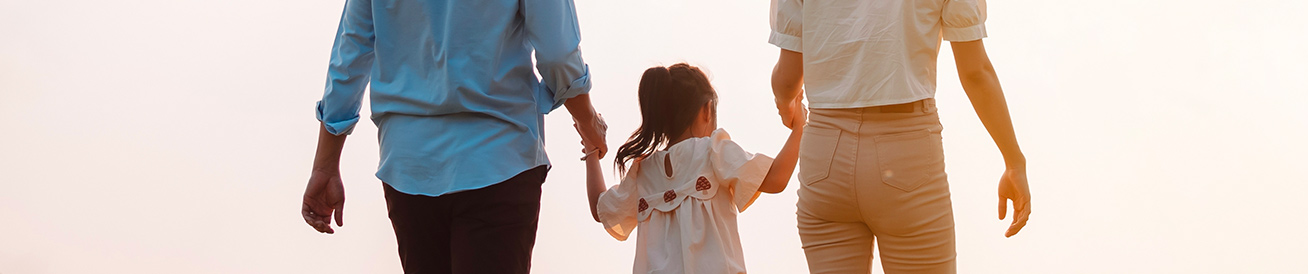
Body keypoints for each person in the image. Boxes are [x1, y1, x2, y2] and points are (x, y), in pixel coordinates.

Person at [298, 0, 608, 273]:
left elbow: (350, 53)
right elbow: (557, 53)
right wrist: (588, 121)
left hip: (409, 167)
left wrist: (325, 164)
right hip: (499, 158)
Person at [768, 0, 1032, 273]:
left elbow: (787, 78)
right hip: (906, 148)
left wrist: (786, 102)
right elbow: (976, 73)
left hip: (824, 152)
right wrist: (1014, 162)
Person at [581, 64, 806, 273]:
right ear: (707, 110)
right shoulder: (713, 150)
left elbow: (600, 208)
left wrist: (592, 152)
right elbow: (776, 178)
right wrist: (799, 127)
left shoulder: (643, 171)